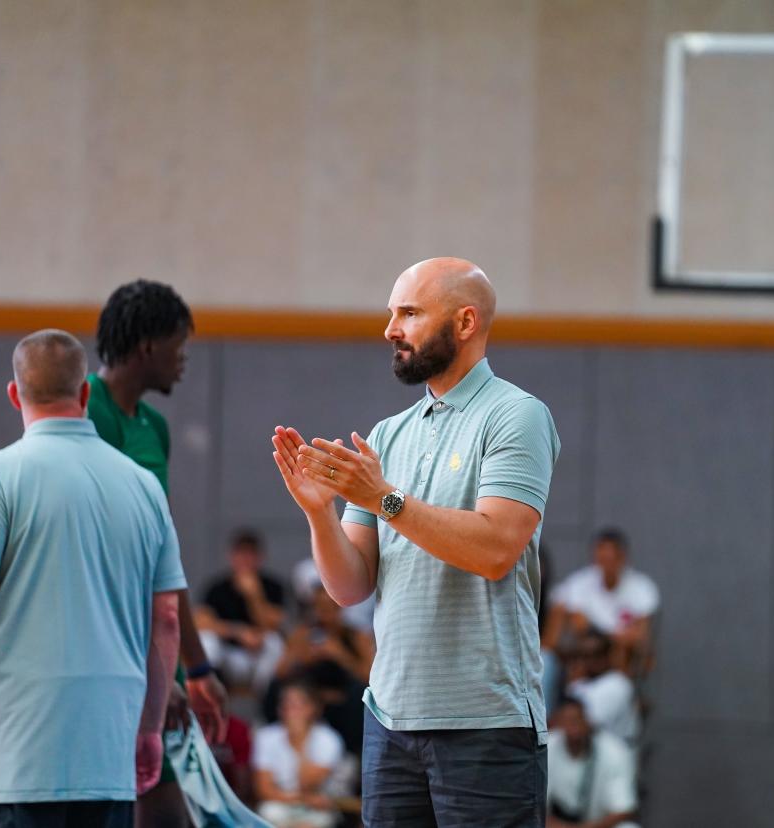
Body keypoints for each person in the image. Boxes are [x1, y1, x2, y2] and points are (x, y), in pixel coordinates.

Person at [272, 257, 560, 826]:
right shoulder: (387, 434)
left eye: (409, 312)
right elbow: (350, 586)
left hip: (486, 723)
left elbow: (495, 551)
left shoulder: (515, 416)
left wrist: (383, 499)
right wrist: (320, 514)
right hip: (390, 721)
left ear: (465, 322)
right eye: (391, 314)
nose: (390, 330)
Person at [0, 330, 185, 827]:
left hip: (14, 758)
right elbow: (166, 618)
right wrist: (150, 729)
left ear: (15, 395)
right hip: (108, 754)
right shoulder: (145, 486)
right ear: (84, 394)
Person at [89, 279, 227, 827]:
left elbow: (160, 562)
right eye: (179, 346)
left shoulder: (156, 429)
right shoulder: (86, 412)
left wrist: (195, 666)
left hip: (149, 652)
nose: (184, 360)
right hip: (102, 659)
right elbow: (91, 563)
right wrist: (147, 671)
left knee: (167, 810)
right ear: (147, 346)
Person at [265, 582, 375, 755]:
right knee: (276, 689)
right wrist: (302, 657)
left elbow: (371, 678)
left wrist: (341, 656)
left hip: (345, 699)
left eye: (331, 607)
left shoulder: (357, 636)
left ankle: (352, 754)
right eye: (320, 607)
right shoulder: (303, 634)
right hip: (309, 697)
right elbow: (279, 673)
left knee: (359, 696)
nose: (326, 613)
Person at [544, 530, 659, 677]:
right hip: (581, 667)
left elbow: (640, 635)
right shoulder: (580, 583)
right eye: (601, 559)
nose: (605, 565)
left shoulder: (641, 588)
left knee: (621, 648)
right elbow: (569, 621)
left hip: (621, 668)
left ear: (622, 557)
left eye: (610, 559)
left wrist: (611, 638)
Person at [197, 529, 287, 694]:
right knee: (206, 640)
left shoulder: (273, 586)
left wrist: (254, 596)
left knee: (275, 642)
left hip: (258, 658)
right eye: (241, 554)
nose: (245, 560)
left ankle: (268, 700)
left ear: (260, 557)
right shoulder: (217, 587)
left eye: (250, 555)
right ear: (231, 556)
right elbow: (201, 622)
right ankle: (209, 693)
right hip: (229, 657)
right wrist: (238, 632)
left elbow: (274, 624)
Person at [253, 682, 347, 828]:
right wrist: (298, 799)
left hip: (317, 806)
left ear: (314, 708)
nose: (292, 710)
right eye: (287, 704)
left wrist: (301, 741)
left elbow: (308, 784)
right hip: (284, 803)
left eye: (299, 705)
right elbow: (263, 789)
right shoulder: (266, 736)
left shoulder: (329, 739)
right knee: (269, 812)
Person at [546, 699, 639, 828]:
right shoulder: (546, 747)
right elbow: (532, 807)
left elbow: (623, 809)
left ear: (587, 721)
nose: (572, 727)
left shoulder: (614, 751)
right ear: (557, 723)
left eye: (576, 720)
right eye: (567, 721)